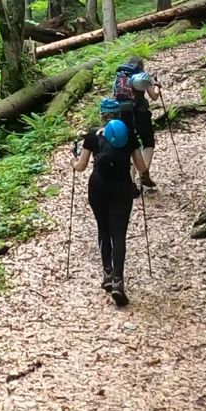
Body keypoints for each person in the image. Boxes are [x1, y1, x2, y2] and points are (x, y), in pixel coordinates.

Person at [73, 102, 139, 306]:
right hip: (122, 189)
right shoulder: (129, 135)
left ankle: (107, 274)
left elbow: (81, 167)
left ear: (102, 115)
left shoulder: (93, 135)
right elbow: (142, 166)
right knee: (118, 234)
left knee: (103, 229)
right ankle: (119, 282)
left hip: (98, 187)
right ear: (118, 114)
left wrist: (73, 161)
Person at [112, 57, 160, 189]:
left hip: (123, 114)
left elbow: (114, 96)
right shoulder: (143, 77)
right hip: (141, 114)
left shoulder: (120, 76)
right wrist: (157, 86)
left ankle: (131, 182)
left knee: (131, 146)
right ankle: (144, 173)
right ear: (141, 66)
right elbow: (154, 97)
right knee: (148, 142)